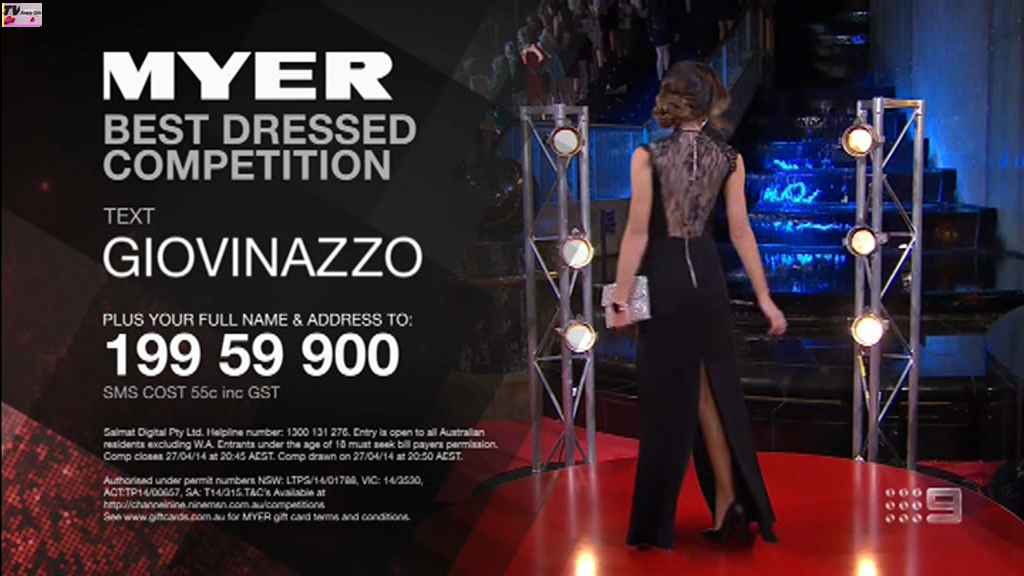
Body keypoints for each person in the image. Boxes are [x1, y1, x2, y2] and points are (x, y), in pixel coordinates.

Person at [608, 60, 784, 550]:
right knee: (711, 394)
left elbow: (637, 234)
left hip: (665, 283)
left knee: (665, 402)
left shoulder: (647, 156)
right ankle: (728, 500)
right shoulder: (729, 159)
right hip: (707, 283)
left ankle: (654, 526)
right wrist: (765, 298)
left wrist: (619, 299)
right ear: (709, 104)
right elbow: (742, 232)